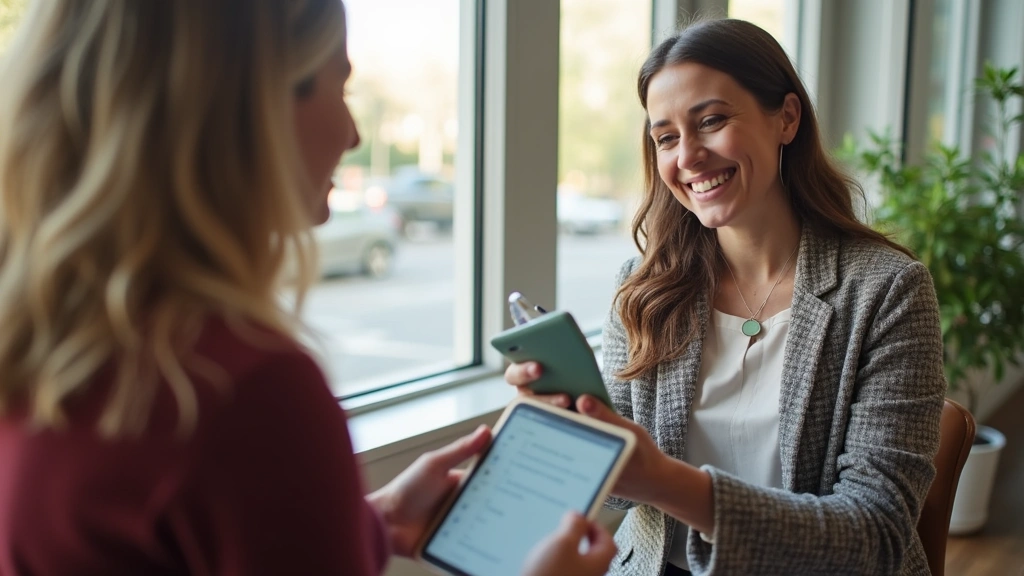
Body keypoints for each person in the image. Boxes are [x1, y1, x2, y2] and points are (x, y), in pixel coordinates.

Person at [0, 1, 616, 575]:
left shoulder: (48, 338)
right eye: (339, 86)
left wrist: (370, 524)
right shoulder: (242, 390)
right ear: (249, 102)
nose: (352, 135)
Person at [506, 18, 946, 576]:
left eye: (710, 121)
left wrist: (662, 479)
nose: (687, 156)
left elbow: (876, 535)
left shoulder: (888, 291)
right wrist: (573, 428)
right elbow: (620, 497)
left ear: (786, 118)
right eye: (666, 137)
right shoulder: (643, 288)